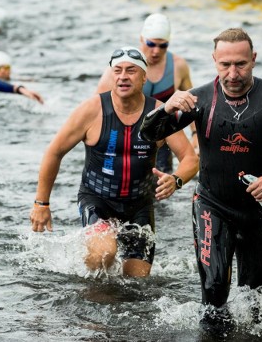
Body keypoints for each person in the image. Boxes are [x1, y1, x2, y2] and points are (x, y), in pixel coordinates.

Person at [139, 28, 262, 332]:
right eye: (225, 65)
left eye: (241, 64)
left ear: (254, 59)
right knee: (213, 293)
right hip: (212, 204)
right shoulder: (198, 99)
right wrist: (165, 109)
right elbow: (148, 135)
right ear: (214, 61)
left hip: (258, 210)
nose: (233, 73)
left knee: (255, 301)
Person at [30, 47, 199, 277]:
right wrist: (42, 203)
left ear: (143, 77)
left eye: (131, 71)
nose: (123, 76)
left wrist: (176, 180)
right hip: (98, 200)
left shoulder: (159, 112)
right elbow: (54, 152)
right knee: (103, 254)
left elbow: (190, 158)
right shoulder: (92, 110)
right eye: (117, 71)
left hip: (140, 205)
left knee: (136, 284)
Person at [96, 13, 198, 172]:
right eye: (151, 44)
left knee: (163, 184)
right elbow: (98, 108)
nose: (156, 51)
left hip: (161, 137)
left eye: (163, 45)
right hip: (125, 136)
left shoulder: (178, 66)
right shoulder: (120, 69)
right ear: (141, 39)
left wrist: (195, 134)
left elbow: (191, 103)